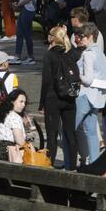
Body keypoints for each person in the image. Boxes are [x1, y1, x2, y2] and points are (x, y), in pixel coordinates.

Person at [39, 26, 78, 169]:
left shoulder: (49, 55)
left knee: (52, 135)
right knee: (70, 134)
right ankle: (73, 166)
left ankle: (50, 164)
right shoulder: (71, 53)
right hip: (69, 97)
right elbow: (75, 51)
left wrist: (41, 103)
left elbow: (46, 80)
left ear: (52, 38)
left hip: (53, 98)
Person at [75, 23, 106, 165]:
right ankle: (94, 162)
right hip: (97, 97)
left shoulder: (88, 54)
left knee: (71, 127)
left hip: (85, 95)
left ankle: (71, 161)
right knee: (92, 132)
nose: (79, 39)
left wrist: (77, 74)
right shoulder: (101, 54)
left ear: (89, 37)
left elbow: (87, 79)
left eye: (81, 37)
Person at [0, 89, 28, 161]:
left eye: (24, 102)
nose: (23, 105)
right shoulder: (14, 116)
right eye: (21, 102)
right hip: (7, 153)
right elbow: (20, 141)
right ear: (12, 101)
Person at [15, 0, 37, 65]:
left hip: (28, 10)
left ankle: (30, 56)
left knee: (27, 34)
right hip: (23, 9)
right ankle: (17, 55)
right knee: (19, 32)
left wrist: (18, 4)